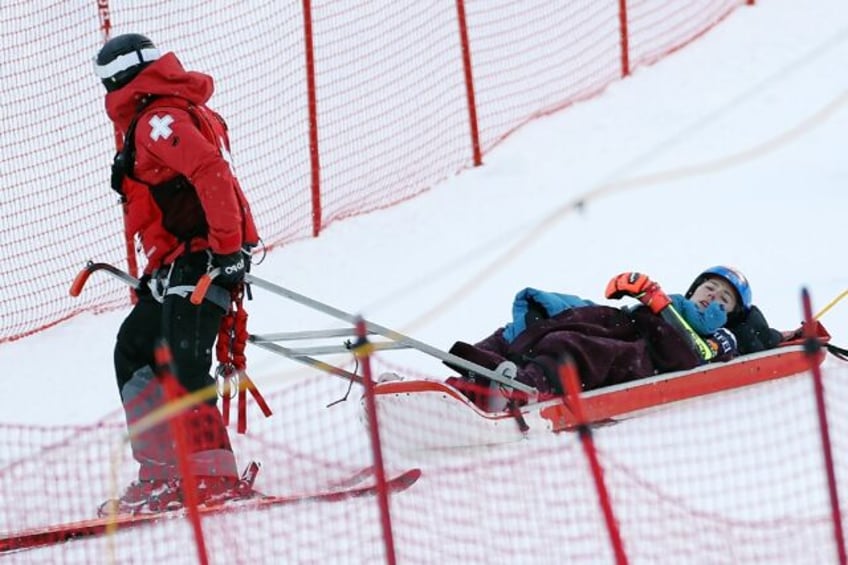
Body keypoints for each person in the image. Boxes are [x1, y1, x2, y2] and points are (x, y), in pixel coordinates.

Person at [93, 33, 260, 514]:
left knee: (183, 360)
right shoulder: (166, 114)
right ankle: (165, 471)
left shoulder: (157, 120)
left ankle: (211, 476)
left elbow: (210, 171)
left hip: (204, 256)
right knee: (136, 346)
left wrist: (227, 250)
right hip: (179, 261)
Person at [446, 266, 792, 410]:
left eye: (724, 299)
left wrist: (654, 300)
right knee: (537, 320)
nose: (712, 296)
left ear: (731, 313)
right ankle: (463, 382)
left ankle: (520, 388)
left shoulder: (722, 333)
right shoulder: (676, 304)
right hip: (623, 322)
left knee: (570, 345)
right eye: (709, 287)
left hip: (644, 351)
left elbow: (696, 354)